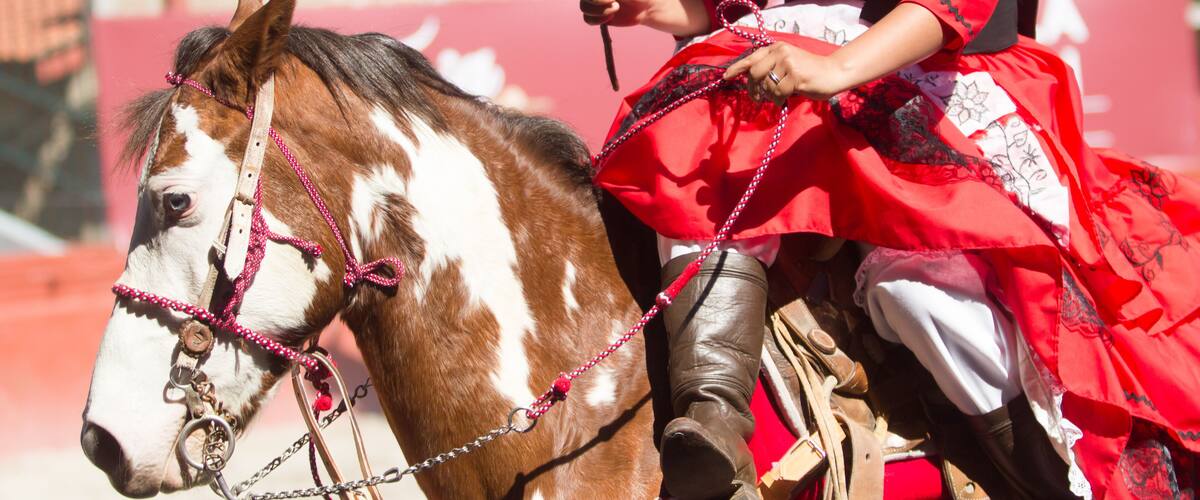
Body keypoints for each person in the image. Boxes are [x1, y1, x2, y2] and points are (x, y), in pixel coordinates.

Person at [581, 0, 1200, 499]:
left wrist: (835, 70)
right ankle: (712, 421)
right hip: (788, 66)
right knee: (697, 152)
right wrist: (647, 6)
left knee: (919, 297)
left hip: (930, 73)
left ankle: (1053, 485)